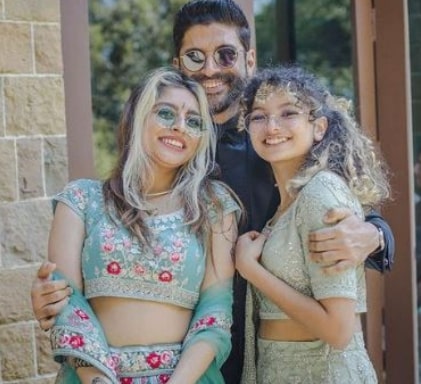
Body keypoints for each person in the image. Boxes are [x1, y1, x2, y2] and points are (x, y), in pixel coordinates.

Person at [31, 1, 395, 383]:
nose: (210, 69)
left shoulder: (280, 145)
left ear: (248, 59)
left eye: (225, 55)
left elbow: (348, 207)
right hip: (195, 357)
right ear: (177, 64)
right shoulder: (154, 159)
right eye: (195, 57)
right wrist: (60, 297)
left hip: (271, 354)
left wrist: (374, 235)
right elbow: (90, 271)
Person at [46, 67, 241, 383]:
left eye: (194, 121)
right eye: (166, 113)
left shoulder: (213, 206)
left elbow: (215, 314)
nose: (180, 127)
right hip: (92, 377)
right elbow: (67, 304)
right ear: (137, 116)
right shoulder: (81, 199)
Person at [236, 65, 389, 383]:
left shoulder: (322, 192)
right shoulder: (282, 206)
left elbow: (338, 331)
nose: (272, 126)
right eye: (259, 116)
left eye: (288, 113)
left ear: (318, 127)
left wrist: (252, 271)